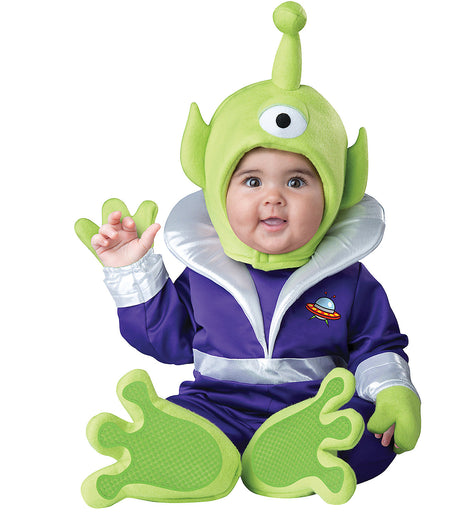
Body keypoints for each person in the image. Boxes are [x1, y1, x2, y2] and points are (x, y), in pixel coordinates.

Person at [77, 2, 420, 506]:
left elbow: (377, 346)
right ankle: (200, 455)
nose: (273, 197)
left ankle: (291, 455)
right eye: (252, 181)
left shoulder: (349, 280)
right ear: (219, 194)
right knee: (184, 421)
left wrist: (393, 392)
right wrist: (133, 270)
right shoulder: (206, 272)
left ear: (331, 197)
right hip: (216, 407)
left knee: (367, 436)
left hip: (315, 410)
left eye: (297, 182)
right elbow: (167, 342)